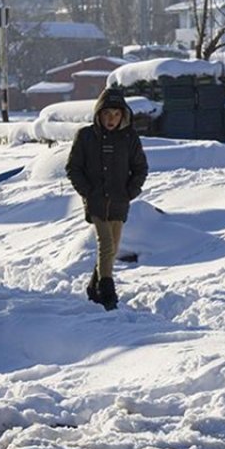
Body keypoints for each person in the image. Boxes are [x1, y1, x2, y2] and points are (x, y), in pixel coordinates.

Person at [66, 87, 148, 310]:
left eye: (116, 114)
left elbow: (140, 168)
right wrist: (87, 191)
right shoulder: (85, 136)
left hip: (120, 201)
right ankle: (107, 291)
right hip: (96, 201)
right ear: (98, 114)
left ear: (123, 115)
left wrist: (130, 192)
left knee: (113, 247)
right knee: (106, 243)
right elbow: (73, 168)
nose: (111, 119)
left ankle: (94, 287)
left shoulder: (129, 138)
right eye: (107, 114)